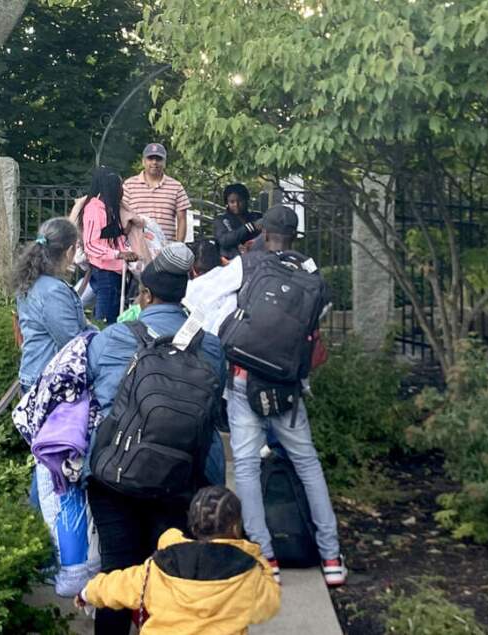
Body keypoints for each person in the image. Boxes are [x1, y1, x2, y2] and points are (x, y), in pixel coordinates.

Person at [184, 204, 347, 589]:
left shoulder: (248, 264)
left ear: (262, 233)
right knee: (307, 463)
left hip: (245, 380)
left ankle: (265, 556)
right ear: (294, 237)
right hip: (287, 388)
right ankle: (331, 557)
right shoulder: (312, 276)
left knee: (246, 467)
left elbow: (196, 293)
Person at [85, 243, 226, 635]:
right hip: (182, 477)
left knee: (117, 573)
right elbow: (214, 409)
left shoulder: (111, 339)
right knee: (171, 574)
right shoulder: (211, 345)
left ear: (145, 295)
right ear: (184, 293)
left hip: (116, 477)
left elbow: (95, 395)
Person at [76, 486, 280, 634]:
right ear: (236, 529)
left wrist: (86, 593)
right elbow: (268, 605)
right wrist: (256, 555)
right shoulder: (247, 573)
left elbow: (115, 586)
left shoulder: (159, 566)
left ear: (191, 525)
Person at [14, 217, 88, 396]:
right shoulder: (53, 290)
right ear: (70, 251)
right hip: (48, 379)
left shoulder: (34, 281)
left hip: (35, 374)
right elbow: (71, 341)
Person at [80, 167, 139, 324]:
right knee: (105, 319)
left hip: (115, 270)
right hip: (104, 271)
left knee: (113, 316)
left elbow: (114, 238)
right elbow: (90, 245)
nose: (122, 191)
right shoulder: (94, 210)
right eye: (119, 186)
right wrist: (118, 254)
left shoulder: (111, 208)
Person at [123, 143, 191, 243]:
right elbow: (123, 216)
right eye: (150, 158)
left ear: (164, 162)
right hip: (136, 248)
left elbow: (182, 220)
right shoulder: (128, 185)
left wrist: (178, 246)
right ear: (143, 161)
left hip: (166, 250)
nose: (154, 162)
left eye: (158, 159)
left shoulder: (176, 187)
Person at [213, 183, 262, 261]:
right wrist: (249, 227)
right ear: (227, 203)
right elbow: (224, 240)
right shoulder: (221, 220)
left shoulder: (256, 217)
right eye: (232, 202)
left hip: (256, 259)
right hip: (230, 262)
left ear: (246, 200)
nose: (236, 205)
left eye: (240, 201)